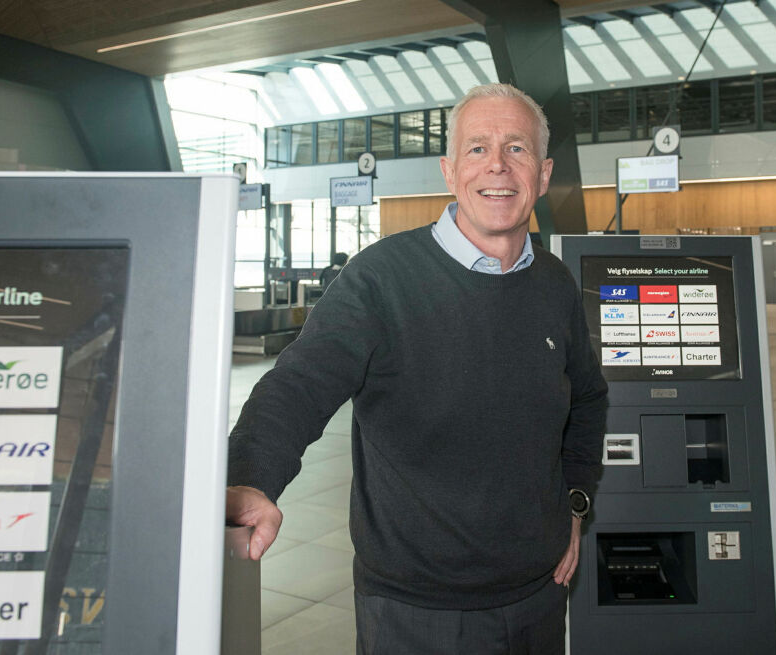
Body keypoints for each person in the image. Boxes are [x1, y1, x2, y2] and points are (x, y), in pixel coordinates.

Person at [226, 83, 608, 654]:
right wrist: (251, 475)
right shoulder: (380, 279)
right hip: (415, 609)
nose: (497, 166)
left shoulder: (554, 284)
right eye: (477, 149)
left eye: (517, 149)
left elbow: (587, 399)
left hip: (540, 593)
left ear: (545, 172)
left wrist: (575, 502)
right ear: (449, 171)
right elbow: (301, 383)